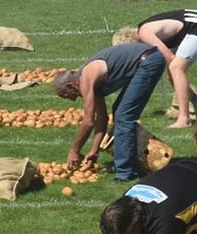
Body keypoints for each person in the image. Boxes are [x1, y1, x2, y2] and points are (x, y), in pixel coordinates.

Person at [54, 42, 165, 184]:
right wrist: (94, 151)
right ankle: (131, 161)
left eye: (67, 95)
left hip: (148, 60)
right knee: (119, 112)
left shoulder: (86, 79)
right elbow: (102, 118)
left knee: (124, 116)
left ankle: (126, 172)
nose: (72, 99)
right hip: (148, 59)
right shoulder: (92, 84)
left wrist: (74, 150)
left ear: (70, 85)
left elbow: (88, 122)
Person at [135, 7, 197, 129]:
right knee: (172, 73)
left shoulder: (145, 33)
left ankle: (184, 119)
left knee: (176, 67)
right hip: (189, 27)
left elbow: (169, 57)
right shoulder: (145, 35)